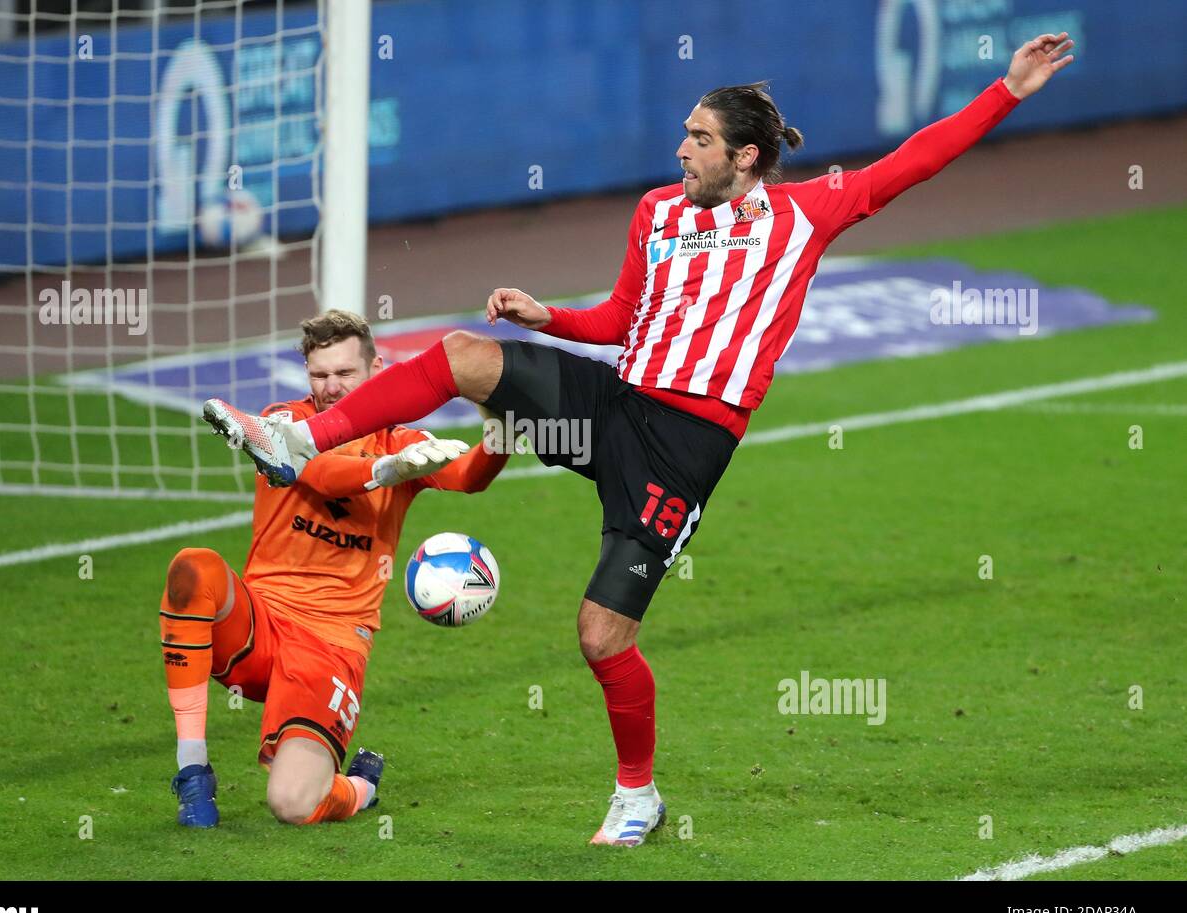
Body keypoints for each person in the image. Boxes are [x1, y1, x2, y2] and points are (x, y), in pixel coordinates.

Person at [202, 35, 1075, 844]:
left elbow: (914, 161)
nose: (681, 148)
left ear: (745, 157)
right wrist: (554, 319)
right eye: (683, 134)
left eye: (699, 138)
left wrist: (1007, 90)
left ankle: (638, 796)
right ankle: (305, 440)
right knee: (465, 355)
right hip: (615, 403)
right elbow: (624, 318)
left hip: (683, 449)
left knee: (600, 636)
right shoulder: (658, 213)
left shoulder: (808, 213)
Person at [165, 310, 508, 827]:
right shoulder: (285, 423)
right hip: (260, 626)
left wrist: (503, 432)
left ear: (375, 369)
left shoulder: (402, 442)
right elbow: (320, 473)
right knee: (192, 568)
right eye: (319, 375)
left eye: (344, 374)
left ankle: (359, 787)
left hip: (331, 643)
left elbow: (469, 475)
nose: (330, 388)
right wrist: (384, 471)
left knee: (293, 806)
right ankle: (192, 772)